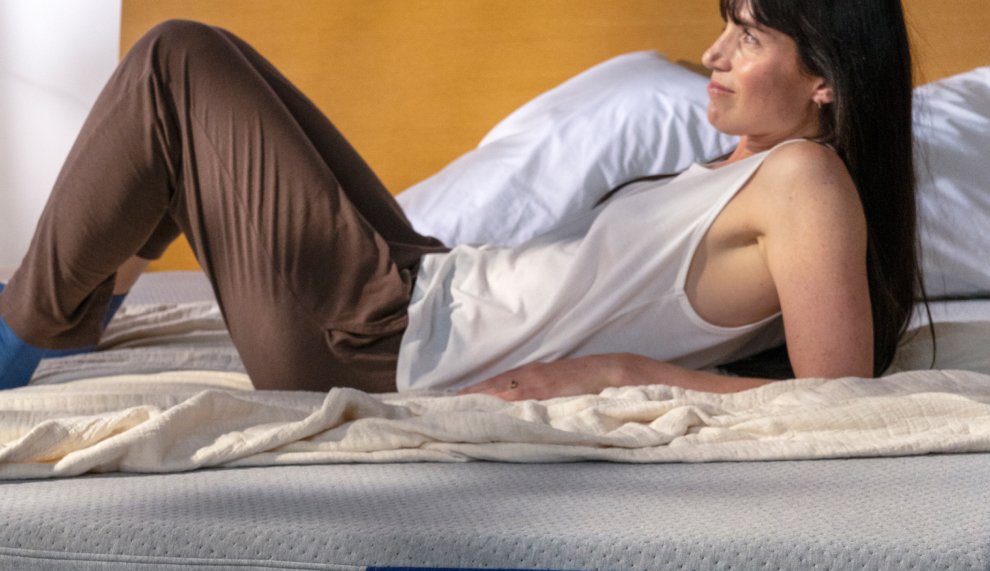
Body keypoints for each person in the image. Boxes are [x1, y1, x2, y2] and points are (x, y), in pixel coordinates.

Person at [0, 0, 920, 399]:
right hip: (425, 285)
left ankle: (23, 333)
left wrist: (621, 374)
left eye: (748, 39)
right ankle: (67, 314)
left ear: (827, 79)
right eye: (725, 26)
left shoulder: (807, 181)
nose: (713, 54)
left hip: (382, 346)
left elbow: (832, 402)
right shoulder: (743, 167)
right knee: (217, 78)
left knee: (177, 59)